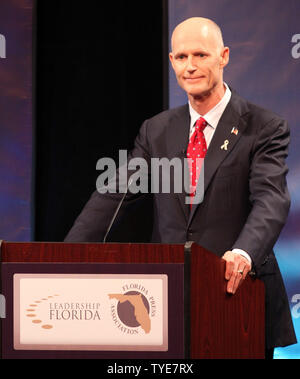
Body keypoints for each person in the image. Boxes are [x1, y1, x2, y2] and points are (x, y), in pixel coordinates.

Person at [65, 17, 297, 357]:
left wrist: (243, 252)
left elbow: (270, 200)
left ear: (224, 56)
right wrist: (66, 255)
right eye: (181, 57)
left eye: (201, 55)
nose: (190, 66)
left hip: (237, 298)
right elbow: (114, 193)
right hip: (165, 301)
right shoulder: (156, 129)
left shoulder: (263, 127)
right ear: (172, 60)